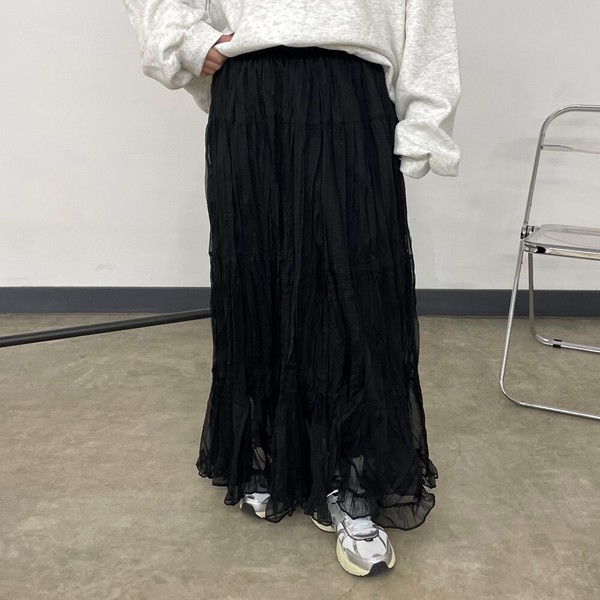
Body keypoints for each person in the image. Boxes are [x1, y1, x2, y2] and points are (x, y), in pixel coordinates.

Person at [122, 0, 461, 577]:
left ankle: (352, 477)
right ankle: (275, 457)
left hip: (348, 84)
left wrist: (426, 118)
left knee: (354, 292)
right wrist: (184, 40)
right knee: (258, 279)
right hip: (249, 89)